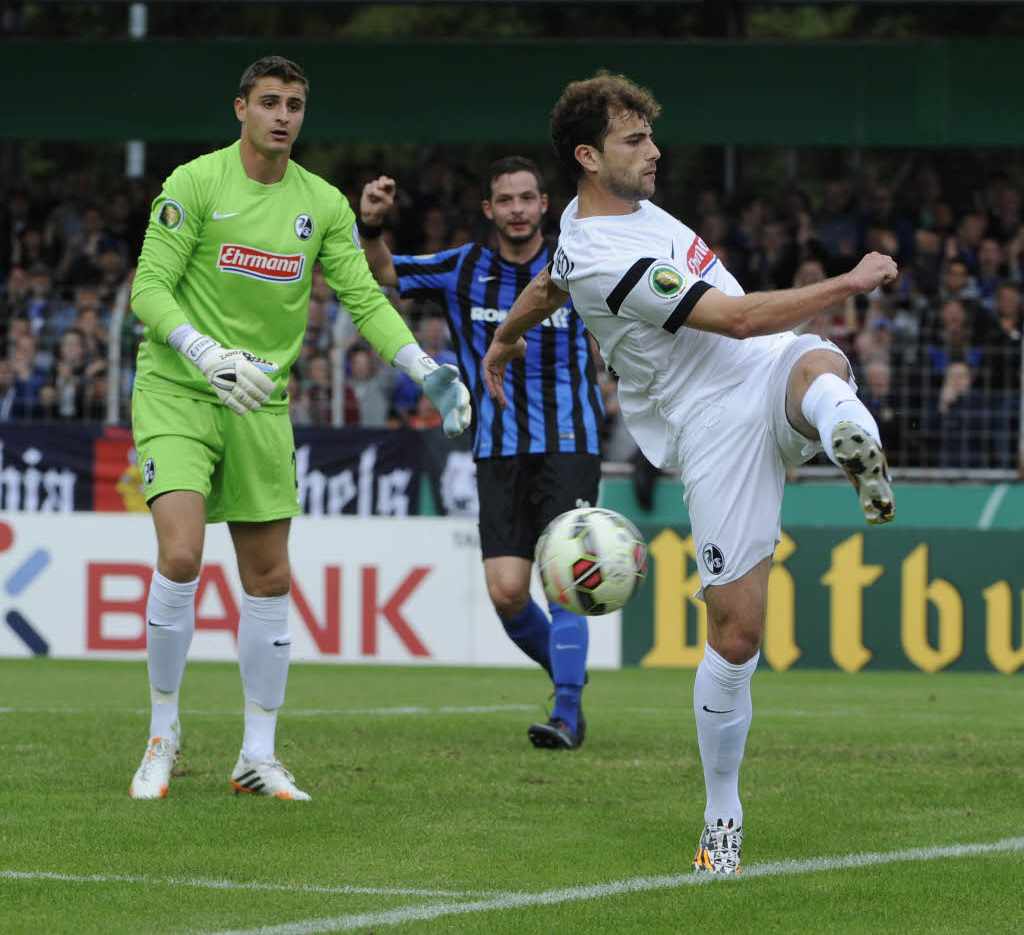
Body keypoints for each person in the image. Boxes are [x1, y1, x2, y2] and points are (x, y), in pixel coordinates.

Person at [482, 73, 897, 873]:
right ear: (589, 155)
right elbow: (736, 319)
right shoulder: (606, 257)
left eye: (649, 135)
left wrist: (504, 336)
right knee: (737, 636)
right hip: (709, 423)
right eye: (635, 140)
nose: (654, 151)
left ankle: (848, 429)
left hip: (764, 369)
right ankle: (721, 814)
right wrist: (848, 281)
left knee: (813, 364)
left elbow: (547, 280)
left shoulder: (578, 223)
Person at [127, 56, 471, 801]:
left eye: (295, 105)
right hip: (179, 389)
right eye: (270, 103)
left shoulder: (323, 203)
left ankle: (257, 752)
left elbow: (365, 298)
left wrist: (422, 364)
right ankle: (162, 733)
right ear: (241, 108)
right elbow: (147, 288)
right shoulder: (195, 183)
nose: (283, 116)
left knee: (270, 576)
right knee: (182, 554)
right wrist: (205, 351)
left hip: (261, 403)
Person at [358, 156, 605, 750]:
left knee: (563, 577)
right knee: (506, 591)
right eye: (506, 200)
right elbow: (384, 271)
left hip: (570, 442)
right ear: (489, 210)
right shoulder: (463, 266)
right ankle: (567, 670)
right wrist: (369, 225)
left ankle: (567, 713)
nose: (518, 209)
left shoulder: (580, 261)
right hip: (496, 448)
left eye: (528, 198)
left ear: (545, 205)